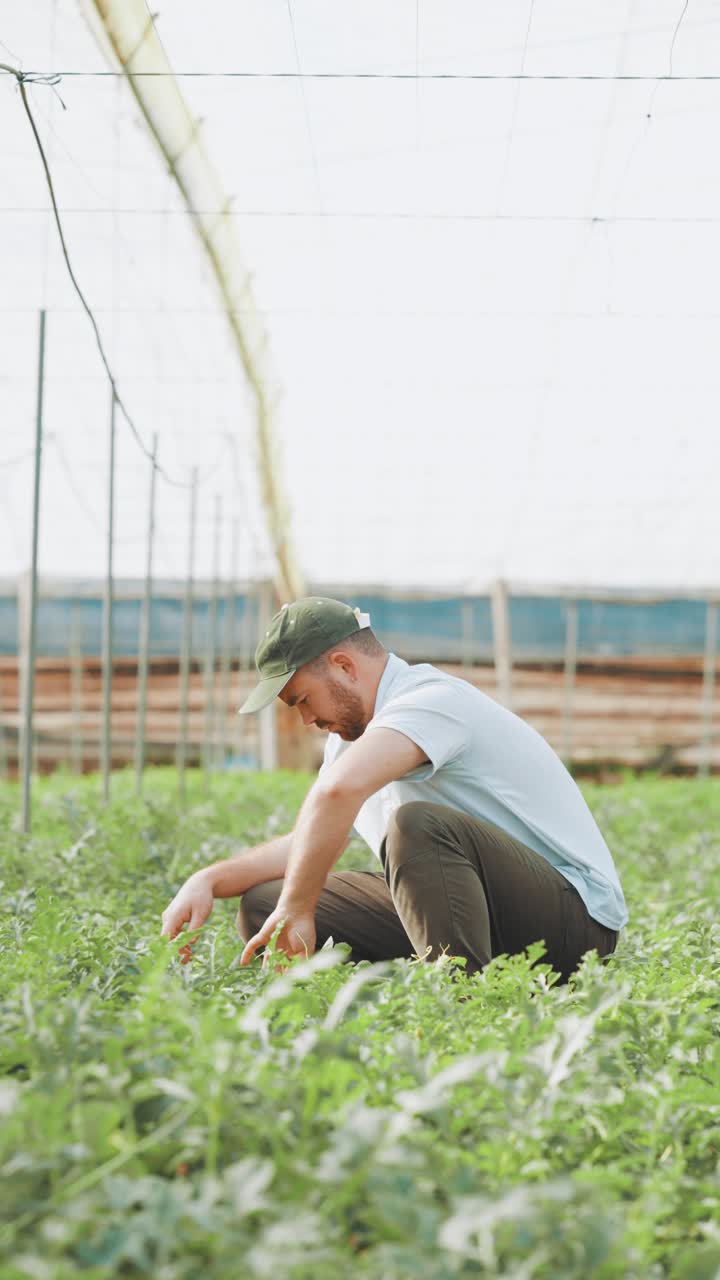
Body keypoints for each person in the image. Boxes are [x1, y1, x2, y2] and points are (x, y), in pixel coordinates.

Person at [161, 596, 628, 980]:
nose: (306, 720)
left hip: (574, 927)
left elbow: (335, 795)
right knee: (266, 905)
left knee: (416, 826)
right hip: (485, 913)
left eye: (303, 699)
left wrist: (298, 907)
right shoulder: (353, 740)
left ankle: (463, 1008)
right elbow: (315, 835)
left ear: (344, 666)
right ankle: (371, 1001)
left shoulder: (430, 701)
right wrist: (210, 879)